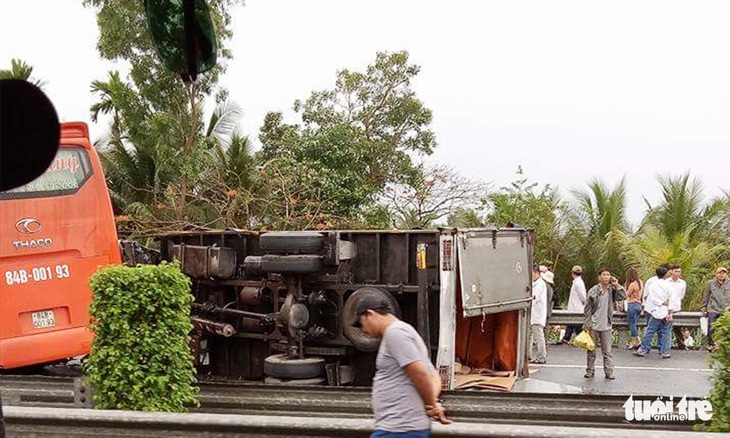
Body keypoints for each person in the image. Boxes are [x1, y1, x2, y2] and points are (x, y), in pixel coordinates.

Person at [353, 292, 450, 438]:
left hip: (398, 428)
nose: (362, 330)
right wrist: (433, 403)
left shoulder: (395, 334)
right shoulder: (405, 331)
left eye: (361, 324)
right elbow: (433, 376)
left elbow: (419, 374)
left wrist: (431, 404)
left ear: (370, 314)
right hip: (402, 427)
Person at [582, 268, 626, 379]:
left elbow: (623, 296)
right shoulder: (594, 290)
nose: (606, 277)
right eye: (604, 275)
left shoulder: (612, 290)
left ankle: (609, 372)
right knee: (591, 350)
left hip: (606, 325)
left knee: (607, 352)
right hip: (594, 324)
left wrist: (617, 285)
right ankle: (590, 370)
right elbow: (587, 308)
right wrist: (587, 322)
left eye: (608, 274)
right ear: (599, 277)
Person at [634, 266, 673, 359]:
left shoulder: (653, 285)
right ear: (665, 275)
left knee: (650, 330)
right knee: (666, 331)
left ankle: (643, 349)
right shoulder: (669, 285)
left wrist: (661, 303)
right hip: (666, 310)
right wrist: (670, 311)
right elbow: (672, 299)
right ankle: (665, 351)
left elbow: (653, 299)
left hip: (656, 310)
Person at [702, 266, 730, 352]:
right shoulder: (710, 283)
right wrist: (704, 308)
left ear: (726, 274)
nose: (721, 275)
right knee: (711, 327)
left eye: (723, 273)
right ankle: (711, 344)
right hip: (713, 309)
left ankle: (721, 345)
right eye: (719, 273)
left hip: (725, 309)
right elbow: (706, 296)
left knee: (724, 329)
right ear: (716, 274)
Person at [560, 265, 586, 344]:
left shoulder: (578, 283)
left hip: (576, 308)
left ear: (572, 273)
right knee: (573, 325)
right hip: (575, 308)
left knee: (574, 325)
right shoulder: (578, 282)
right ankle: (567, 339)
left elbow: (583, 297)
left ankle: (567, 339)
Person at [530, 265, 548, 364]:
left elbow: (534, 298)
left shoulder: (540, 284)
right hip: (533, 314)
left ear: (537, 273)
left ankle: (542, 356)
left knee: (538, 336)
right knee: (531, 336)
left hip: (537, 315)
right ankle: (528, 355)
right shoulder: (534, 283)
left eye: (532, 273)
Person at [667, 264, 687, 349]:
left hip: (677, 307)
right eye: (676, 271)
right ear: (671, 271)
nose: (677, 273)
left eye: (679, 271)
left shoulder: (682, 283)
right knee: (666, 328)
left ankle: (681, 344)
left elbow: (682, 295)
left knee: (678, 327)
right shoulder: (666, 282)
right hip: (667, 308)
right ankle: (665, 345)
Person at [624, 267, 644, 349]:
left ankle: (638, 340)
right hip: (639, 305)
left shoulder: (632, 284)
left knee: (631, 324)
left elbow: (626, 295)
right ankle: (634, 342)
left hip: (632, 304)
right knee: (634, 324)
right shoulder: (640, 283)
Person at [540, 269, 555, 346]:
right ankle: (544, 343)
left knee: (544, 328)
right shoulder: (550, 288)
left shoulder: (546, 287)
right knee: (545, 327)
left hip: (545, 310)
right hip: (548, 310)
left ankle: (544, 344)